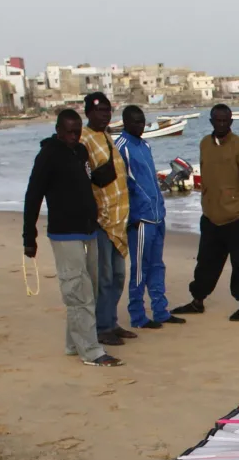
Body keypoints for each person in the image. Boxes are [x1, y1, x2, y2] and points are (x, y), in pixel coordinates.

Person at [23, 109, 121, 367]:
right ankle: (91, 351)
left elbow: (87, 181)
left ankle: (73, 344)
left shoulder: (80, 151)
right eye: (69, 132)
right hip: (64, 234)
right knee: (78, 292)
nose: (74, 136)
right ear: (58, 130)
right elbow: (33, 195)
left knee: (91, 290)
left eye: (77, 132)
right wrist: (29, 236)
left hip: (88, 230)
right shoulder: (48, 155)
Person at [172, 103, 239, 321]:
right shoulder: (204, 144)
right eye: (217, 120)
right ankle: (197, 301)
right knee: (206, 263)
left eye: (225, 120)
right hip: (210, 216)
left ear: (231, 121)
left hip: (236, 217)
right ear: (211, 121)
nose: (221, 124)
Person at [115, 106, 184, 330]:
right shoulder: (121, 147)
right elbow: (121, 186)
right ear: (125, 122)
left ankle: (160, 311)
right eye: (135, 122)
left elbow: (150, 180)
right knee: (140, 269)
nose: (140, 126)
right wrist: (132, 216)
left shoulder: (145, 145)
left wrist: (161, 207)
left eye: (142, 121)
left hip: (157, 216)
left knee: (157, 265)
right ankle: (137, 315)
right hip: (141, 220)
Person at [81, 91, 136, 347]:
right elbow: (85, 178)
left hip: (118, 219)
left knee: (118, 276)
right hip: (101, 220)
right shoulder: (84, 139)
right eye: (99, 111)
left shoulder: (107, 135)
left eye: (107, 111)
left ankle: (111, 321)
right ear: (88, 113)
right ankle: (102, 327)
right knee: (103, 277)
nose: (104, 115)